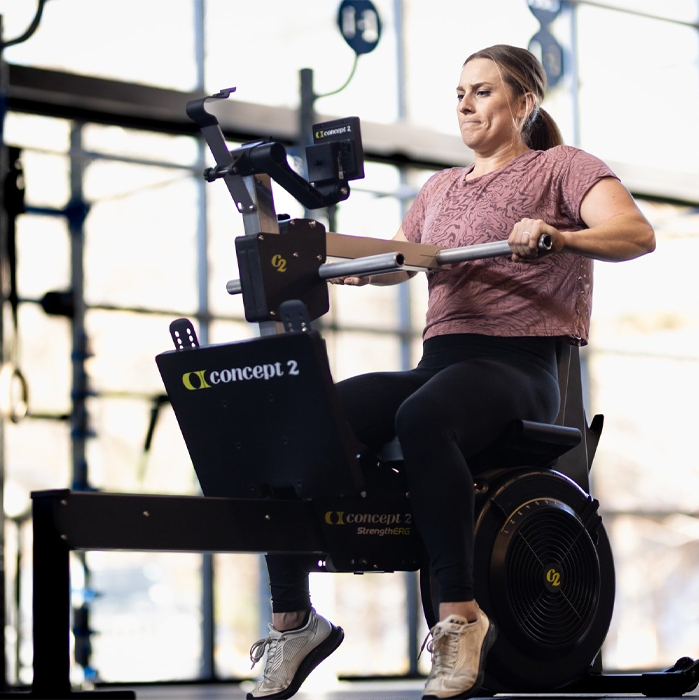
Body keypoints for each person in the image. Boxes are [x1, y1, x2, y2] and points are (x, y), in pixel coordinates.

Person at [247, 44, 655, 700]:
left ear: (524, 102)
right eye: (460, 93)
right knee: (302, 424)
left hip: (520, 366)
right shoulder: (438, 188)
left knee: (424, 416)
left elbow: (635, 233)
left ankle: (460, 617)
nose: (466, 104)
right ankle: (294, 622)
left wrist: (559, 236)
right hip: (440, 365)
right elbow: (402, 258)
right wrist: (332, 262)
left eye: (483, 91)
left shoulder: (563, 168)